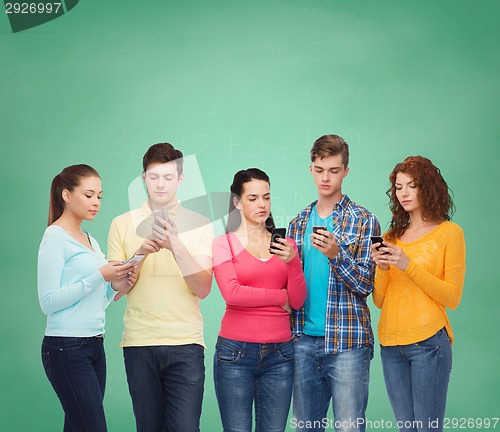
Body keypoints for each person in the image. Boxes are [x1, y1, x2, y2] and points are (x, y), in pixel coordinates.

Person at [107, 143, 214, 432]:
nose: (160, 184)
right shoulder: (121, 223)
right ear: (143, 178)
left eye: (168, 177)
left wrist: (175, 245)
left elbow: (203, 287)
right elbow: (117, 287)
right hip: (140, 343)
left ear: (180, 179)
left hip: (186, 343)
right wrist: (141, 252)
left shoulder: (201, 224)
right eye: (154, 177)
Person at [288, 134, 380, 432]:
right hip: (302, 340)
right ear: (311, 169)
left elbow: (366, 283)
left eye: (334, 170)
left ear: (346, 171)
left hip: (348, 344)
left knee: (349, 427)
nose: (325, 177)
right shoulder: (298, 222)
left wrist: (336, 254)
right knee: (305, 428)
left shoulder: (364, 220)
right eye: (319, 169)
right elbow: (289, 284)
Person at [371, 156, 466, 432]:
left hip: (429, 345)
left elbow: (452, 297)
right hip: (390, 345)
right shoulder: (390, 237)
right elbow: (379, 301)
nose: (404, 193)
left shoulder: (450, 233)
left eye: (412, 186)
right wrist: (382, 268)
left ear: (428, 187)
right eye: (399, 187)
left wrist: (408, 265)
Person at [38, 164, 136, 432]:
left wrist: (118, 285)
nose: (96, 203)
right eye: (89, 195)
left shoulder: (91, 240)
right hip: (65, 348)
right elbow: (47, 301)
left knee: (78, 427)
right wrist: (99, 276)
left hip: (94, 346)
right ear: (67, 195)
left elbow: (97, 298)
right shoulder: (55, 237)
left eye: (99, 196)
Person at [212, 168, 307, 432]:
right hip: (235, 354)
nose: (261, 204)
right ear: (237, 202)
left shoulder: (286, 245)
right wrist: (279, 296)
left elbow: (297, 301)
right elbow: (232, 293)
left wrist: (293, 262)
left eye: (266, 197)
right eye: (252, 198)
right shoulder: (223, 243)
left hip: (280, 354)